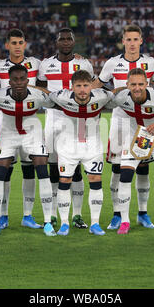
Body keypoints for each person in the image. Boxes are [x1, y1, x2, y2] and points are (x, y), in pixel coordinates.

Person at [92, 24, 154, 230]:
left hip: (147, 122)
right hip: (122, 120)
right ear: (123, 41)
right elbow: (98, 85)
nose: (131, 43)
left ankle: (143, 213)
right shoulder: (112, 63)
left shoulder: (151, 63)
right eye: (128, 39)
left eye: (135, 39)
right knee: (119, 168)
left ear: (141, 41)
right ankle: (118, 214)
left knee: (143, 167)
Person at [0, 64, 56, 237]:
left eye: (22, 79)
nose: (18, 82)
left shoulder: (38, 95)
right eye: (15, 79)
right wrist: (0, 107)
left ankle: (47, 222)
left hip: (32, 134)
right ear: (9, 81)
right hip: (7, 135)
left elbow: (55, 102)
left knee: (41, 171)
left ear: (27, 80)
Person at [43, 70, 116, 236]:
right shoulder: (61, 97)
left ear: (91, 86)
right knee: (64, 181)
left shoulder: (102, 96)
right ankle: (64, 223)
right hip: (68, 145)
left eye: (85, 85)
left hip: (93, 146)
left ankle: (95, 224)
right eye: (78, 86)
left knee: (95, 180)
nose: (82, 90)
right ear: (72, 87)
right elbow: (46, 94)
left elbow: (117, 94)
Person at [37, 27, 95, 230]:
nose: (65, 42)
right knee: (54, 167)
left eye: (69, 39)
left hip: (77, 119)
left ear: (73, 42)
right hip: (53, 118)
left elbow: (91, 85)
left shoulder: (83, 63)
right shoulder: (46, 64)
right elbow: (40, 87)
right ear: (57, 42)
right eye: (62, 39)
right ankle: (53, 215)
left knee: (76, 167)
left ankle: (77, 215)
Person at [110, 68, 154, 234]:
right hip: (135, 139)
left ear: (147, 84)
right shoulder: (120, 97)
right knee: (125, 177)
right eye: (133, 84)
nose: (137, 88)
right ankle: (125, 221)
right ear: (127, 85)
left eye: (141, 84)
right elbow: (100, 100)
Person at [0, 28, 42, 230]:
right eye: (13, 43)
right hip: (6, 126)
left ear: (25, 44)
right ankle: (3, 215)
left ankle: (27, 215)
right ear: (7, 45)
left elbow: (46, 87)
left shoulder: (37, 64)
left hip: (30, 126)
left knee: (29, 170)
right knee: (5, 172)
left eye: (20, 42)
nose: (17, 46)